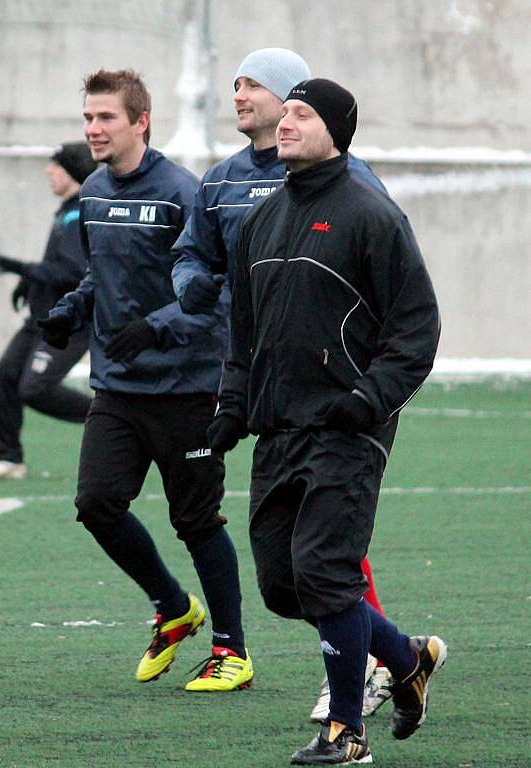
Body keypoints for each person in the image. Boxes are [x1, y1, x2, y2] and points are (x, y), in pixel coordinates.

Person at [208, 77, 447, 764]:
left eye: (301, 114)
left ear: (336, 130)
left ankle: (346, 733)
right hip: (279, 431)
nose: (285, 123)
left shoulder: (372, 216)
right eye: (284, 113)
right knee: (283, 586)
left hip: (348, 429)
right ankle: (405, 658)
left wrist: (369, 399)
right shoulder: (263, 219)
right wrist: (231, 406)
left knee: (325, 572)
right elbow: (243, 334)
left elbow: (417, 328)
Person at [171, 47, 394, 719]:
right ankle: (395, 653)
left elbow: (391, 287)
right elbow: (195, 255)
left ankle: (360, 680)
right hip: (262, 392)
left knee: (327, 553)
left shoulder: (353, 186)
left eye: (255, 86)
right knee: (287, 568)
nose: (239, 95)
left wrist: (368, 385)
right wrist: (191, 284)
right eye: (235, 84)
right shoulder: (222, 182)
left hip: (336, 397)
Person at [37, 69, 253, 692]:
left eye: (106, 118)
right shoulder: (96, 191)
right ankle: (174, 607)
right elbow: (99, 277)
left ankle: (231, 653)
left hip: (186, 387)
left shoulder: (183, 192)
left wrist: (157, 328)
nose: (93, 130)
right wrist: (72, 311)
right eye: (87, 119)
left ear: (141, 121)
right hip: (117, 387)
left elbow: (214, 293)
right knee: (96, 504)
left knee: (197, 520)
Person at [0, 143, 96, 482]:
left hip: (67, 323)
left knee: (35, 388)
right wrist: (30, 286)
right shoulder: (65, 210)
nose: (48, 171)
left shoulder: (79, 212)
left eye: (56, 165)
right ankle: (8, 458)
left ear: (72, 171)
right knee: (6, 374)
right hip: (40, 318)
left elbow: (74, 272)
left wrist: (22, 270)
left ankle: (113, 419)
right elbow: (56, 266)